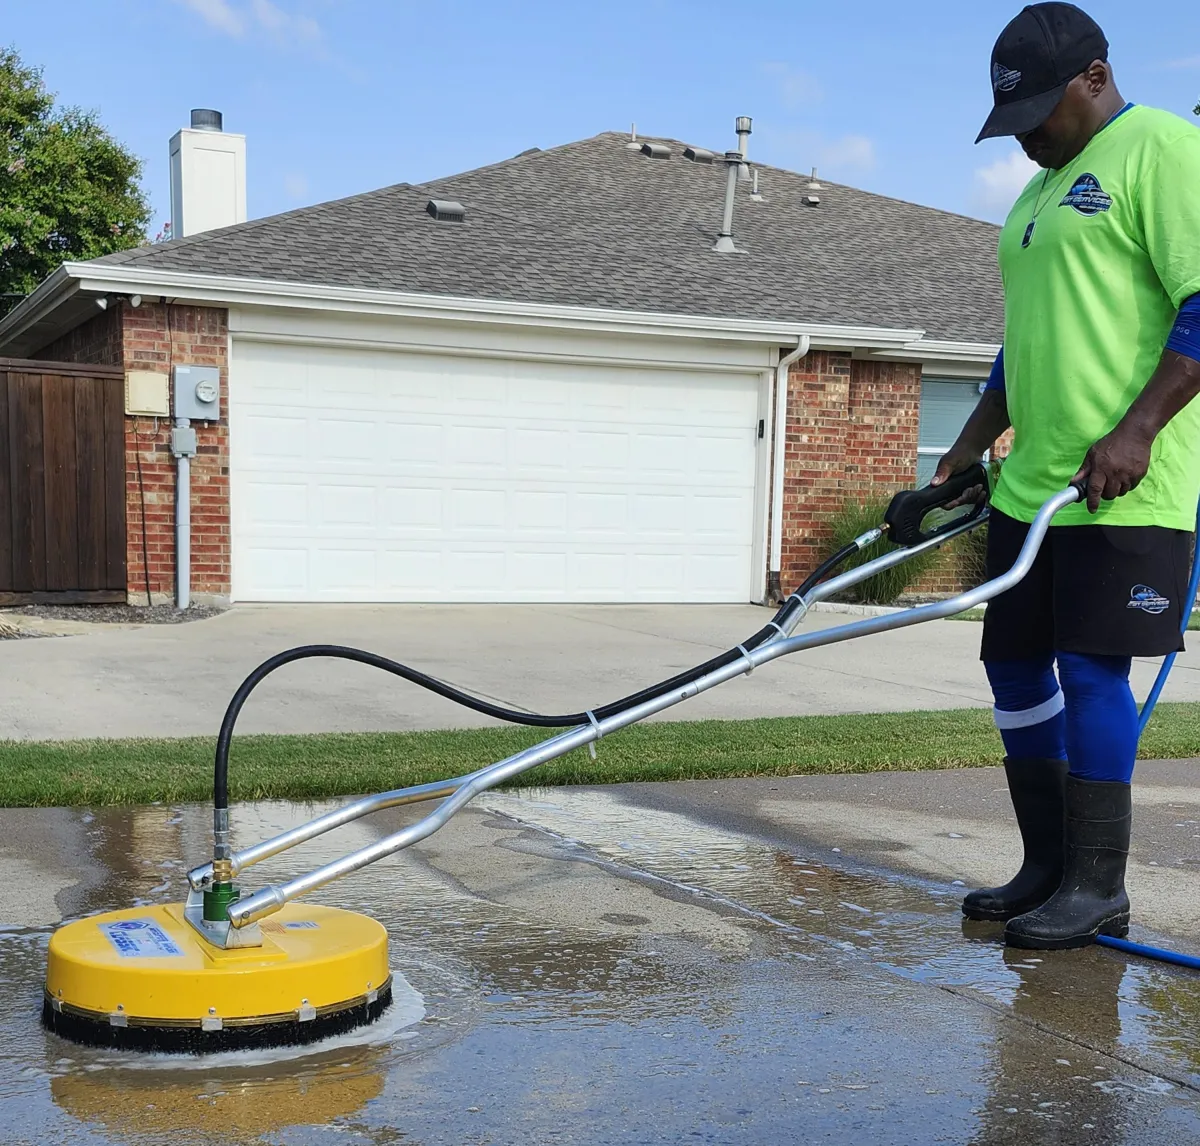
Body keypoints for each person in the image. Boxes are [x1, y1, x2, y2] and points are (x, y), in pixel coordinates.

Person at [933, 2, 1200, 949]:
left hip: (1126, 484)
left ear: (1095, 75)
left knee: (1091, 671)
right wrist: (965, 452)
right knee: (1012, 668)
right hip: (1031, 488)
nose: (1028, 138)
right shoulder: (1036, 195)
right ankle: (1046, 864)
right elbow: (1021, 347)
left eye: (1041, 112)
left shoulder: (1164, 148)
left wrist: (1137, 431)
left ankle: (1099, 887)